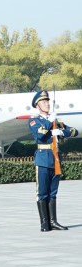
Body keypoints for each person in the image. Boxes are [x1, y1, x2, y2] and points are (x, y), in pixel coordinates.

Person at [28, 89, 78, 232]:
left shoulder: (56, 120)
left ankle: (53, 221)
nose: (47, 104)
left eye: (47, 101)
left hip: (55, 159)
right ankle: (44, 223)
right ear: (38, 106)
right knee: (42, 192)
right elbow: (41, 134)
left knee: (53, 192)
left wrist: (62, 131)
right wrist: (50, 122)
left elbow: (74, 131)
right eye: (44, 102)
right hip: (43, 159)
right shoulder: (34, 121)